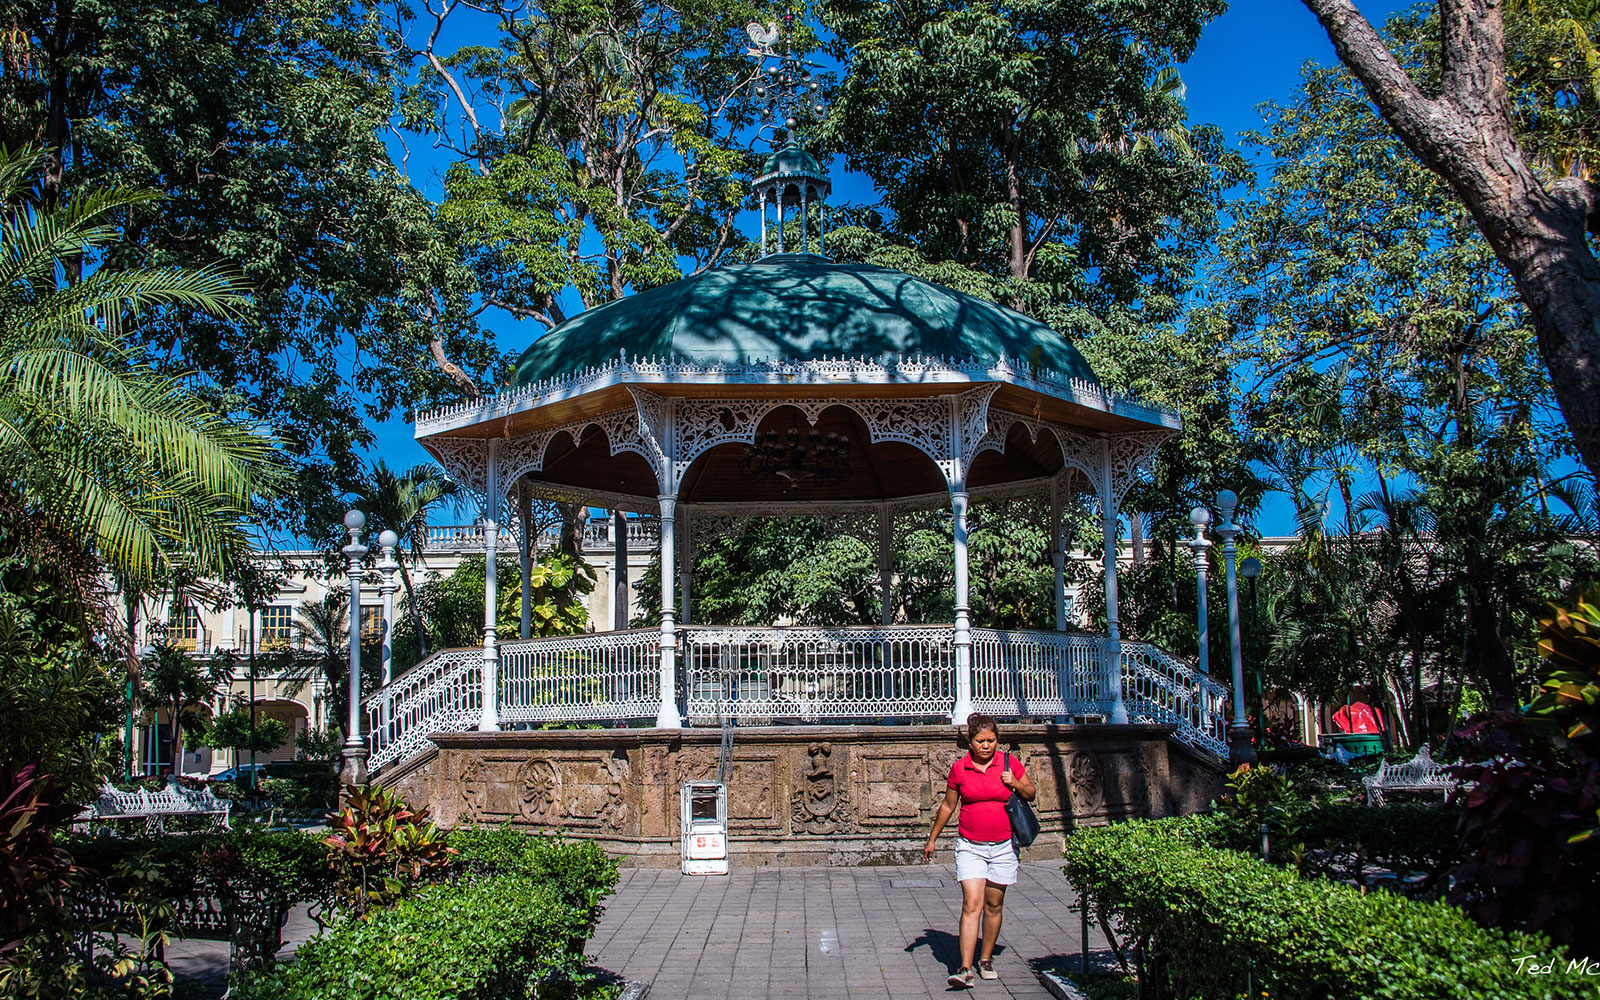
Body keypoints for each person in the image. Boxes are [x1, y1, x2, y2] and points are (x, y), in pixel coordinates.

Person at [923, 713, 1037, 989]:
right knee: (971, 904)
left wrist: (1016, 783)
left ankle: (985, 960)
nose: (986, 746)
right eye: (980, 741)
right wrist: (932, 839)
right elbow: (949, 806)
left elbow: (1031, 793)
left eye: (991, 740)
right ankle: (964, 967)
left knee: (993, 904)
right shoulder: (960, 769)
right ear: (970, 742)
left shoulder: (1009, 763)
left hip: (1003, 846)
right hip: (970, 846)